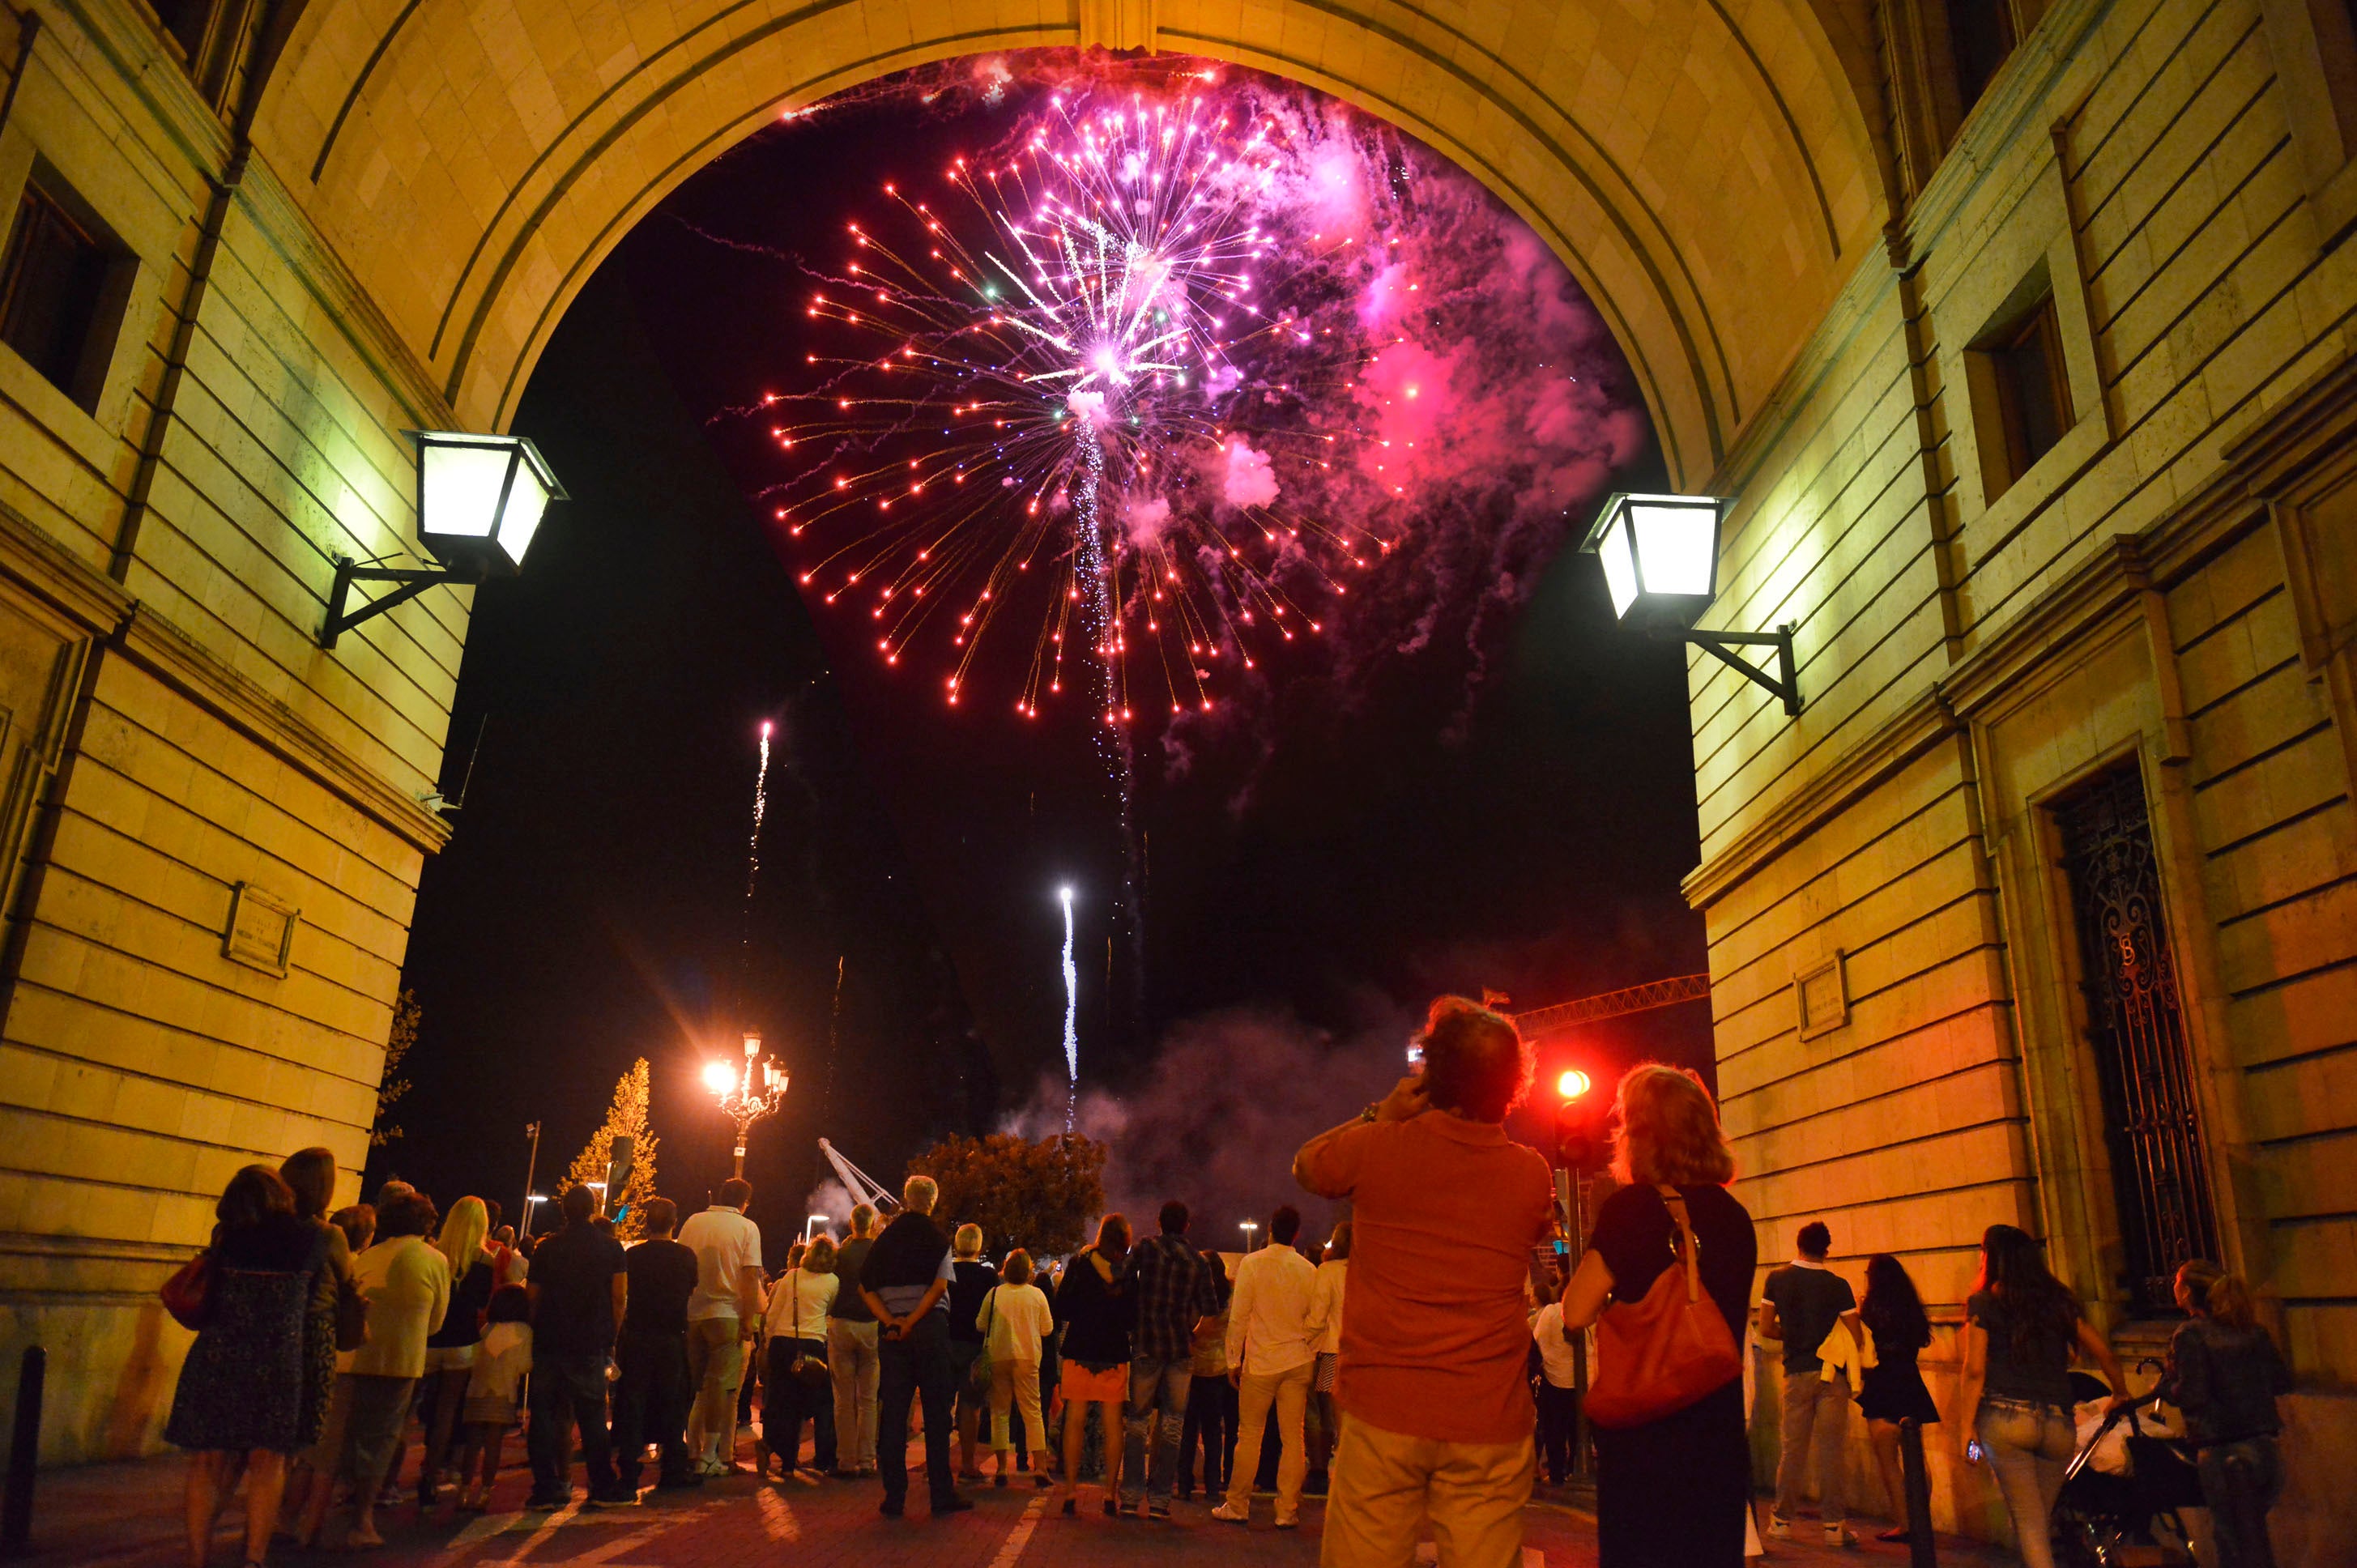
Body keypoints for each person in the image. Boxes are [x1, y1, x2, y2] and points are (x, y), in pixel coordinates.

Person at [1294, 996, 1556, 1564]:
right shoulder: (1531, 1174)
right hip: (1488, 1416)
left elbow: (1309, 1164)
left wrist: (1381, 1113)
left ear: (1432, 1072)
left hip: (1384, 1407)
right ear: (1513, 1084)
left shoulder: (1379, 1148)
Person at [1557, 1063, 1755, 1567]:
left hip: (1645, 1437)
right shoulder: (1735, 1217)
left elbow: (1575, 1311)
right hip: (1718, 1436)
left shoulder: (1632, 1209)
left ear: (1643, 1135)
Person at [166, 1164, 335, 1568]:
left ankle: (196, 1558)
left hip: (218, 1355)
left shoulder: (226, 1239)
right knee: (268, 1462)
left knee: (208, 1462)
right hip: (277, 1359)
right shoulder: (312, 1239)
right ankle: (254, 1558)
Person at [1951, 1224, 2129, 1568]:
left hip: (2006, 1419)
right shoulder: (2058, 1301)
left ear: (1991, 1257)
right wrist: (2120, 1392)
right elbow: (2104, 1353)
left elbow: (1974, 1370)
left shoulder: (1984, 1303)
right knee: (2035, 1521)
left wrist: (1965, 1427)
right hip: (2058, 1424)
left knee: (2030, 1524)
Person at [316, 1190, 449, 1547]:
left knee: (336, 1438)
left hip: (351, 1357)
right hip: (399, 1360)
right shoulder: (434, 1260)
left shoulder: (366, 1256)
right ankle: (362, 1522)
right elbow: (436, 1323)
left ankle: (308, 1518)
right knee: (381, 1440)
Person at [2159, 1259, 2292, 1568]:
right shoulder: (2253, 1331)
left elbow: (2192, 1394)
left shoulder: (2190, 1335)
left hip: (2222, 1449)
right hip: (2264, 1448)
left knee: (2231, 1542)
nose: (2174, 1286)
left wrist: (2168, 1384)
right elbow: (2282, 1380)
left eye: (2178, 1281)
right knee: (2254, 1539)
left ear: (2189, 1292)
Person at [857, 1174, 973, 1519]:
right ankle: (941, 1494)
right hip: (929, 1329)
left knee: (893, 1413)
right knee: (937, 1415)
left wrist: (892, 1320)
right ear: (932, 1201)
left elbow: (865, 1286)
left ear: (906, 1199)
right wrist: (914, 1320)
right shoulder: (938, 1239)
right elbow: (939, 1287)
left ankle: (894, 1496)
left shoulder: (885, 1239)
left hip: (892, 1334)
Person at [524, 1182, 632, 1510]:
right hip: (590, 1341)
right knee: (592, 1416)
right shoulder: (611, 1248)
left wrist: (534, 1329)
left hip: (549, 1340)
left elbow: (532, 1297)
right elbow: (619, 1298)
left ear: (563, 1211)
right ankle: (600, 1484)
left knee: (543, 1415)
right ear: (592, 1208)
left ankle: (546, 1486)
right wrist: (611, 1335)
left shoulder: (546, 1248)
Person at [1212, 1206, 1319, 1528]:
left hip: (1260, 1362)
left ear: (1270, 1228)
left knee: (1250, 1436)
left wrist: (1233, 1359)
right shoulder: (1308, 1270)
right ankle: (1287, 1509)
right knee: (1293, 1438)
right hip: (1297, 1360)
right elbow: (1315, 1319)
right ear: (1297, 1233)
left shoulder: (1253, 1264)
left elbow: (1240, 1315)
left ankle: (1238, 1503)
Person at [1118, 1199, 1224, 1519]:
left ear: (1158, 1222)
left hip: (1147, 1344)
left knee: (1137, 1422)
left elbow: (1122, 1277)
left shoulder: (1145, 1248)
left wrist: (1134, 1315)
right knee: (1173, 1425)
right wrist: (1192, 1335)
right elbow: (1211, 1311)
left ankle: (1131, 1497)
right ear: (1187, 1226)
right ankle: (1161, 1500)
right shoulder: (1197, 1260)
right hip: (1179, 1350)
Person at [1760, 1220, 1859, 1545]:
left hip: (1796, 1373)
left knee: (1793, 1450)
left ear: (1798, 1245)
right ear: (1826, 1250)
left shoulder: (1776, 1280)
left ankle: (1781, 1522)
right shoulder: (1838, 1285)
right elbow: (1855, 1334)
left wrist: (1794, 1335)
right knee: (1831, 1451)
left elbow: (1766, 1328)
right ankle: (1833, 1527)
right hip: (1832, 1376)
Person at [275, 1148, 356, 1544]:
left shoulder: (261, 1227)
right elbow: (347, 1282)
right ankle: (292, 1523)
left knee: (260, 1444)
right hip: (313, 1338)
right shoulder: (327, 1235)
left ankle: (268, 1522)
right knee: (308, 1436)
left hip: (266, 1336)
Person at [613, 1196, 700, 1493]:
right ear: (674, 1223)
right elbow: (690, 1289)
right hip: (672, 1336)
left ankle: (628, 1469)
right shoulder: (686, 1256)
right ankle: (673, 1468)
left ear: (647, 1223)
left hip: (637, 1334)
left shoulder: (633, 1256)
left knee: (633, 1401)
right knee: (673, 1402)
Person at [678, 1178, 763, 1476]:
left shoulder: (692, 1222)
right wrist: (749, 1320)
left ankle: (690, 1450)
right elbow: (750, 1276)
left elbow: (682, 1265)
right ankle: (710, 1456)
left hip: (693, 1312)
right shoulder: (747, 1228)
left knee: (698, 1387)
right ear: (745, 1201)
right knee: (719, 1388)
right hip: (726, 1314)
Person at [1852, 1254, 1940, 1543]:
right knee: (1917, 1456)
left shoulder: (1871, 1309)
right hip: (1909, 1381)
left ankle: (1904, 1524)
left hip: (1881, 1383)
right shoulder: (1910, 1307)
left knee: (1889, 1461)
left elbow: (1861, 1346)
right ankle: (1920, 1518)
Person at [1052, 1212, 1134, 1516]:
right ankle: (1110, 1493)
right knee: (1113, 1425)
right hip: (1113, 1354)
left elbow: (1063, 1307)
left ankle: (1071, 1489)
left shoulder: (1080, 1264)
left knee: (1074, 1419)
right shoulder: (1127, 1270)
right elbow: (1131, 1318)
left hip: (1080, 1350)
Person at [416, 1196, 496, 1506]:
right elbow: (480, 1304)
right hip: (462, 1341)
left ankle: (390, 1478)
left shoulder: (436, 1252)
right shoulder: (484, 1259)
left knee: (414, 1406)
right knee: (448, 1410)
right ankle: (431, 1473)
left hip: (431, 1337)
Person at [761, 1234, 841, 1476]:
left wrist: (767, 1342)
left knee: (783, 1401)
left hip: (781, 1343)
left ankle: (779, 1454)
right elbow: (829, 1313)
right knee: (821, 1401)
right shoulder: (833, 1281)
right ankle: (824, 1456)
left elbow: (773, 1313)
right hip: (812, 1345)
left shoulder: (791, 1277)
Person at [977, 1248, 1056, 1488]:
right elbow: (1047, 1329)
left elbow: (981, 1324)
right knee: (1033, 1412)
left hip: (999, 1356)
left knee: (999, 1413)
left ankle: (1002, 1468)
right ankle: (1040, 1467)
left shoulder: (994, 1294)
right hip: (1027, 1357)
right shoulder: (1037, 1295)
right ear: (1029, 1271)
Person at [452, 1285, 532, 1511]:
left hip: (476, 1392)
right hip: (503, 1393)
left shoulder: (486, 1329)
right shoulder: (524, 1332)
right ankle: (485, 1491)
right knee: (493, 1445)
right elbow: (526, 1365)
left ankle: (464, 1490)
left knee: (473, 1444)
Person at [828, 1204, 883, 1478]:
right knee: (868, 1399)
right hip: (871, 1325)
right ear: (871, 1224)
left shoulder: (842, 1253)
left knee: (843, 1399)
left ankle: (846, 1460)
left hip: (842, 1323)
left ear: (852, 1224)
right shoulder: (880, 1253)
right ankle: (866, 1459)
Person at [1177, 1253, 1237, 1502]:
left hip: (1191, 1368)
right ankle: (1213, 1486)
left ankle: (1184, 1484)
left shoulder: (1192, 1295)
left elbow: (1190, 1330)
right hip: (1219, 1368)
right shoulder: (1231, 1298)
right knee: (1213, 1431)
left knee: (1188, 1429)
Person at [945, 1224, 999, 1481]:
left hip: (944, 1343)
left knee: (940, 1406)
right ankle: (968, 1466)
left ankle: (938, 1464)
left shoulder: (945, 1272)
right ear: (978, 1246)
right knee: (970, 1408)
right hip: (974, 1346)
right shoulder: (988, 1278)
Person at [1307, 1220, 1351, 1492]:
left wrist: (1303, 1334)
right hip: (1363, 1354)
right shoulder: (1368, 1270)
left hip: (1333, 1350)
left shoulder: (1328, 1270)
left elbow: (1318, 1316)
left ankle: (1322, 1472)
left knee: (1330, 1418)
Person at [1528, 1295, 1579, 1489]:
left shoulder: (1550, 1312)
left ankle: (1557, 1474)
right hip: (1583, 1381)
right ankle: (1574, 1468)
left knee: (1554, 1430)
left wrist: (1548, 1357)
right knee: (1577, 1431)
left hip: (1554, 1377)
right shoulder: (1592, 1313)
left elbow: (1537, 1339)